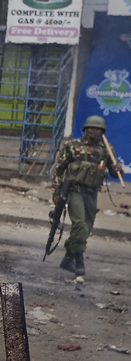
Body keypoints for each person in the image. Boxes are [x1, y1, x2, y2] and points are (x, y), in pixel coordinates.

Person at [50, 115, 125, 277]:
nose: (94, 131)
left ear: (102, 131)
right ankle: (79, 260)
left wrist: (118, 169)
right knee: (79, 224)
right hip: (74, 191)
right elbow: (58, 169)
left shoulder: (106, 149)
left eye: (98, 129)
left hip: (91, 193)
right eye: (91, 128)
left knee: (87, 228)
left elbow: (113, 171)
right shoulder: (72, 146)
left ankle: (68, 258)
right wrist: (56, 192)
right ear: (85, 129)